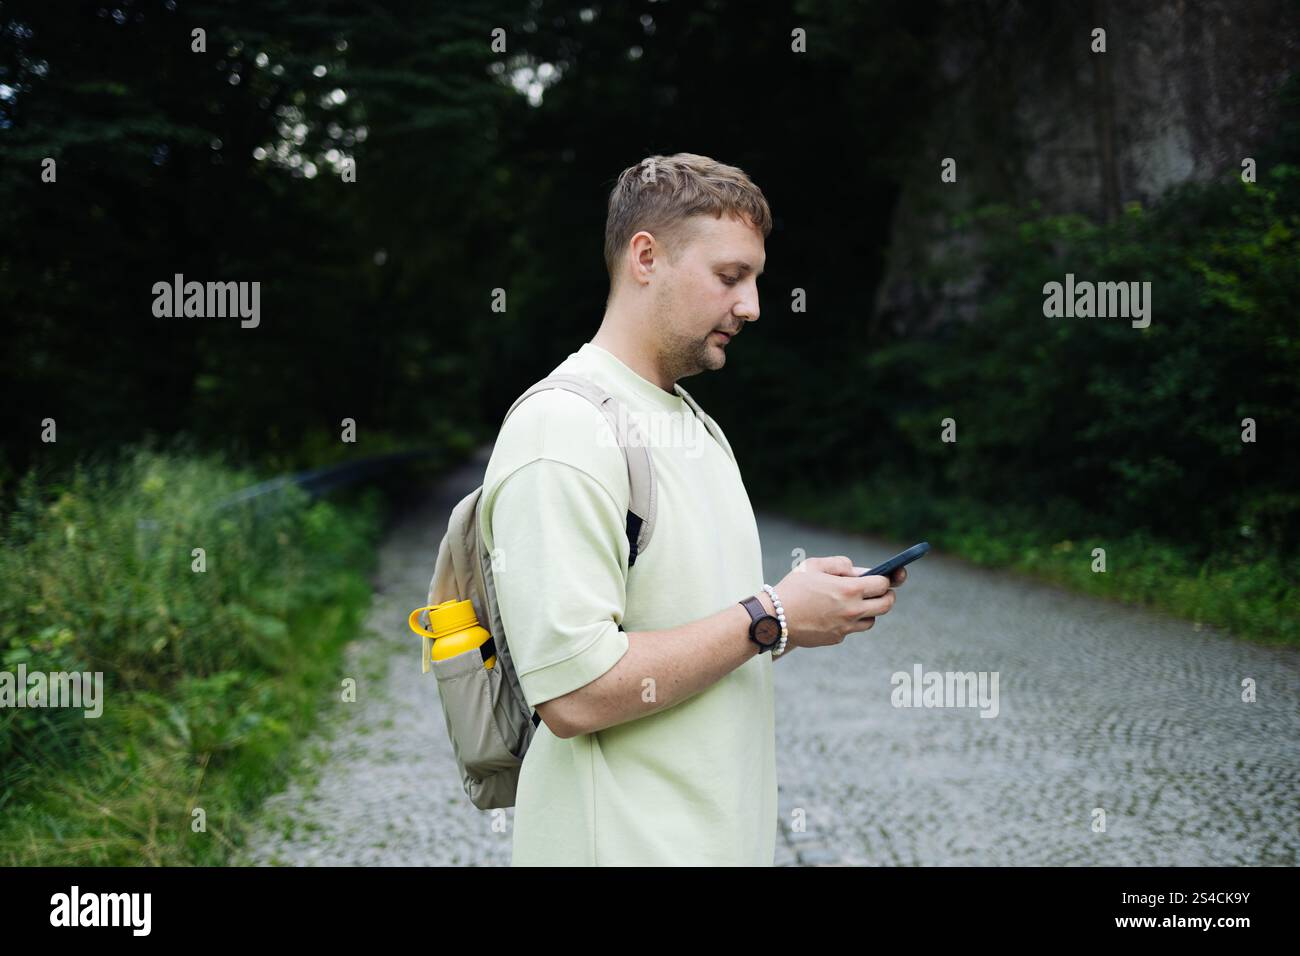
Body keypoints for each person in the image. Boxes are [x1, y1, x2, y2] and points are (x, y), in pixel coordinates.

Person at [479, 152, 906, 866]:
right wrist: (770, 614)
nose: (752, 306)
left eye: (756, 280)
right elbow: (574, 693)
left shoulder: (694, 422)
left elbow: (701, 632)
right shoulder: (563, 429)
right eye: (730, 277)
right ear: (646, 257)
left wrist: (796, 615)